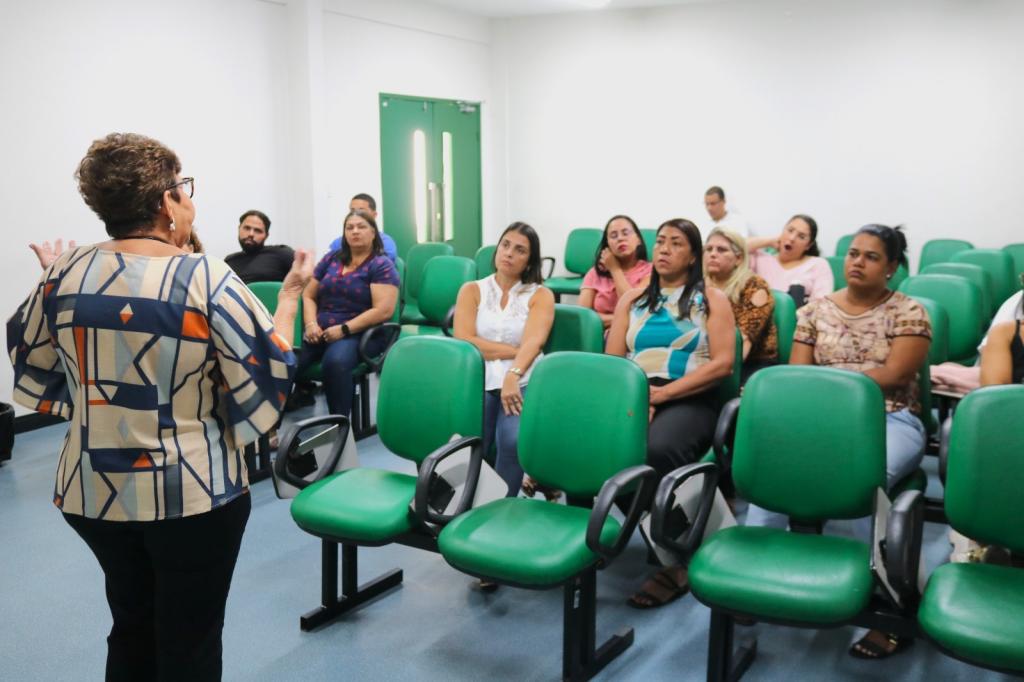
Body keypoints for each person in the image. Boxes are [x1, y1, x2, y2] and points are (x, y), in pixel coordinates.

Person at [8, 133, 311, 681]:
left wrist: (63, 289)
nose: (189, 199)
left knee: (130, 626)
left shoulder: (63, 272)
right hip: (191, 496)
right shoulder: (204, 276)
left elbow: (34, 355)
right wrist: (288, 299)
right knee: (190, 642)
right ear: (166, 202)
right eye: (183, 187)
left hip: (92, 493)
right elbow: (268, 371)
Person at [745, 224, 931, 659]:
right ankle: (752, 573)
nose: (857, 262)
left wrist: (836, 391)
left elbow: (895, 376)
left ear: (892, 267)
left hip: (891, 418)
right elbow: (800, 376)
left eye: (871, 256)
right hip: (820, 420)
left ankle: (891, 601)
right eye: (853, 254)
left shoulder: (909, 312)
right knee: (775, 468)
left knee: (861, 480)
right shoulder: (814, 311)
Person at [606, 218, 735, 608]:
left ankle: (677, 560)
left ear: (693, 256)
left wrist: (661, 396)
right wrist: (637, 399)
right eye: (660, 241)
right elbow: (614, 362)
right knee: (608, 451)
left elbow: (723, 364)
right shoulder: (632, 300)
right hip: (637, 394)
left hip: (690, 395)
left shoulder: (711, 299)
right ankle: (663, 537)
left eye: (676, 243)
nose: (664, 248)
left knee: (658, 450)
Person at [453, 222, 555, 502]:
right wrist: (514, 350)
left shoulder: (540, 295)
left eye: (520, 250)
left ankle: (501, 507)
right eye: (505, 245)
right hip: (479, 376)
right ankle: (459, 504)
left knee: (511, 440)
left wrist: (513, 373)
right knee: (473, 439)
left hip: (523, 377)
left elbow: (534, 343)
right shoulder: (472, 290)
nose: (509, 253)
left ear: (530, 261)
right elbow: (465, 340)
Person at [295, 209, 400, 418]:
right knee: (284, 363)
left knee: (335, 362)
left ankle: (338, 426)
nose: (355, 231)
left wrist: (344, 329)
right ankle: (270, 427)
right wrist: (310, 324)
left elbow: (383, 311)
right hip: (320, 331)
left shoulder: (381, 265)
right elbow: (308, 295)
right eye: (349, 227)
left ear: (373, 233)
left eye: (361, 227)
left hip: (362, 333)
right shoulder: (331, 259)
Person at [704, 228, 778, 383]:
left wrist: (707, 375)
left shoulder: (755, 287)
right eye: (709, 249)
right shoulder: (699, 284)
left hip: (749, 364)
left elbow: (742, 343)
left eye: (721, 250)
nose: (713, 254)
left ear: (738, 258)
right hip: (706, 357)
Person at [578, 215, 652, 329]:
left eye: (625, 233)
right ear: (607, 245)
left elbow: (633, 308)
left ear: (638, 239)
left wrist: (614, 269)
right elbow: (583, 316)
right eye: (613, 236)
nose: (620, 239)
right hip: (598, 334)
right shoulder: (595, 273)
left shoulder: (651, 271)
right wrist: (624, 319)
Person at [747, 214, 833, 305]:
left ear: (808, 245)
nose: (792, 238)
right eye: (790, 230)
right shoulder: (760, 258)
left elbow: (821, 304)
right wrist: (769, 241)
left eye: (801, 236)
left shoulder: (818, 264)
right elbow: (738, 247)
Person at [224, 209, 296, 284]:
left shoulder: (281, 253)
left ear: (266, 235)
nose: (251, 234)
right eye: (247, 228)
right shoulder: (229, 261)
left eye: (257, 230)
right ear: (239, 228)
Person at [327, 193, 398, 262]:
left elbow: (382, 266)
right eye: (352, 211)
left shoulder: (386, 243)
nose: (355, 214)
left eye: (361, 211)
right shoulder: (338, 242)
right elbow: (328, 263)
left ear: (374, 215)